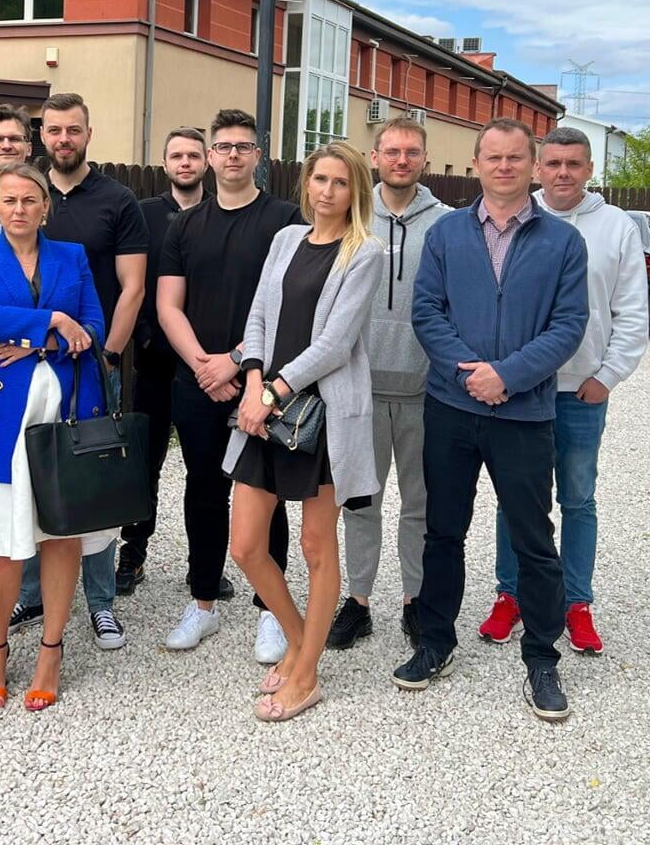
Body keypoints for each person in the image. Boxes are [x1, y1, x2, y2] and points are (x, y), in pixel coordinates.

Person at [399, 117, 588, 722]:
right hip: (452, 409)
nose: (504, 167)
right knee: (442, 531)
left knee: (534, 538)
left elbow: (568, 325)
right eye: (493, 157)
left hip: (525, 412)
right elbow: (427, 312)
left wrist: (508, 375)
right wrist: (469, 375)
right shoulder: (447, 234)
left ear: (532, 166)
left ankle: (542, 657)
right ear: (475, 164)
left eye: (515, 158)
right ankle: (435, 642)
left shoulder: (563, 243)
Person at [227, 143, 385, 722]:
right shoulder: (286, 240)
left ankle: (308, 674)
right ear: (306, 183)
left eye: (340, 183)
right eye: (320, 179)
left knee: (317, 546)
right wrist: (252, 382)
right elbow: (258, 316)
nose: (327, 191)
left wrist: (272, 392)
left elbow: (336, 343)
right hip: (264, 410)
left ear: (355, 191)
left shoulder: (364, 252)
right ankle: (298, 641)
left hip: (322, 416)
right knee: (246, 546)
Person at [480, 126, 647, 655]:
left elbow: (631, 312)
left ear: (590, 169)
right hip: (520, 389)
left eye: (574, 164)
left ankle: (576, 602)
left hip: (579, 392)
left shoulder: (616, 228)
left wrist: (607, 376)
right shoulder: (515, 219)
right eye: (552, 164)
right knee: (515, 499)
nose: (562, 173)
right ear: (537, 168)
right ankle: (511, 594)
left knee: (577, 499)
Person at [0, 163, 109, 711]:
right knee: (0, 540)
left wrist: (40, 341)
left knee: (59, 533)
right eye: (9, 200)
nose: (19, 209)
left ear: (46, 206)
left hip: (65, 407)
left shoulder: (72, 255)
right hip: (1, 414)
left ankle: (50, 650)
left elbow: (95, 328)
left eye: (29, 200)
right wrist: (55, 321)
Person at [157, 109, 301, 662]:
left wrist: (237, 363)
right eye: (224, 146)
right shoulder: (184, 225)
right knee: (203, 490)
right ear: (210, 156)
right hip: (197, 381)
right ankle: (203, 602)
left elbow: (290, 305)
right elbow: (168, 305)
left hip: (262, 381)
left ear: (258, 155)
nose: (233, 155)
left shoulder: (285, 221)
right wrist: (204, 366)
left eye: (243, 146)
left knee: (266, 493)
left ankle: (271, 611)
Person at [13, 93, 147, 651]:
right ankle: (32, 592)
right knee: (32, 475)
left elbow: (132, 287)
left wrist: (108, 355)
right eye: (54, 130)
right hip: (27, 368)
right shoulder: (25, 196)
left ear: (88, 134)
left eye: (74, 130)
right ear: (42, 136)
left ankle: (100, 601)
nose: (63, 139)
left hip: (91, 366)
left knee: (93, 480)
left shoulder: (117, 200)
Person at [328, 117, 448, 651]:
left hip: (425, 387)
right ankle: (357, 601)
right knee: (360, 501)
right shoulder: (352, 214)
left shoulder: (446, 224)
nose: (402, 160)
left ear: (425, 159)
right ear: (374, 157)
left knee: (420, 504)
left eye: (412, 151)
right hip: (361, 387)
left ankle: (414, 599)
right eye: (392, 151)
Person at [117, 126, 207, 594]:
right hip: (154, 362)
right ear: (165, 163)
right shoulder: (145, 214)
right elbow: (129, 284)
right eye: (177, 156)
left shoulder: (220, 213)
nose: (185, 163)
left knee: (204, 470)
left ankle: (203, 565)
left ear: (206, 161)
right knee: (144, 465)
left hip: (206, 367)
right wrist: (146, 337)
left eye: (193, 155)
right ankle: (132, 556)